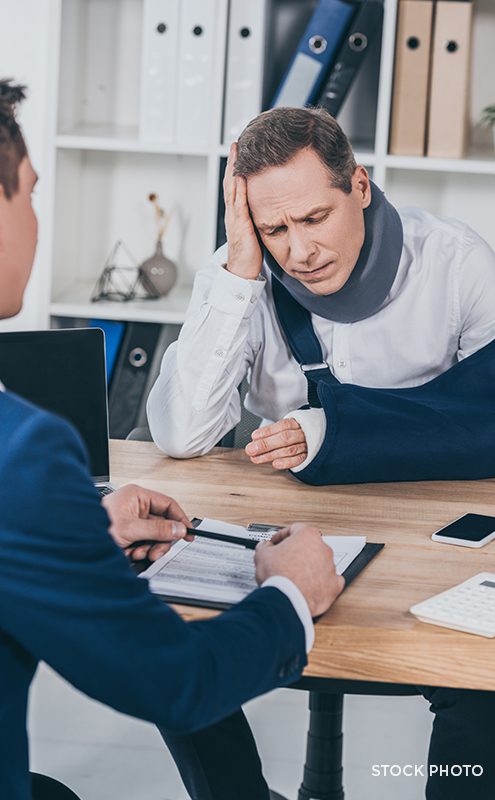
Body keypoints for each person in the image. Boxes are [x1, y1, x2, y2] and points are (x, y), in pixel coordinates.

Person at [0, 81, 344, 800]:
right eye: (28, 194)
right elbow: (178, 684)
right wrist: (292, 591)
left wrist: (76, 528)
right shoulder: (22, 453)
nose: (36, 218)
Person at [147, 107, 495, 799]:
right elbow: (183, 433)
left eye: (314, 218)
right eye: (275, 228)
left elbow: (493, 418)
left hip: (430, 549)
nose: (301, 251)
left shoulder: (456, 263)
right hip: (289, 537)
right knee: (166, 639)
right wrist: (242, 268)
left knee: (489, 679)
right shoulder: (239, 273)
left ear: (360, 186)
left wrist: (341, 433)